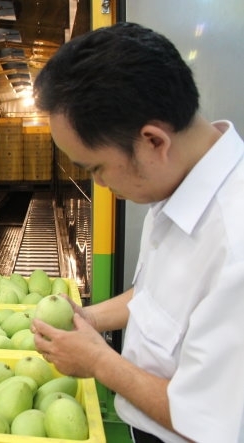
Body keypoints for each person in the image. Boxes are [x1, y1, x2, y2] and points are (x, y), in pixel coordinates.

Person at [31, 22, 244, 443]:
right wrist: (86, 319)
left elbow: (207, 421)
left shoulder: (234, 241)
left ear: (152, 141)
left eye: (97, 168)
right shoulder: (175, 188)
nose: (101, 184)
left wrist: (98, 361)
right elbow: (157, 297)